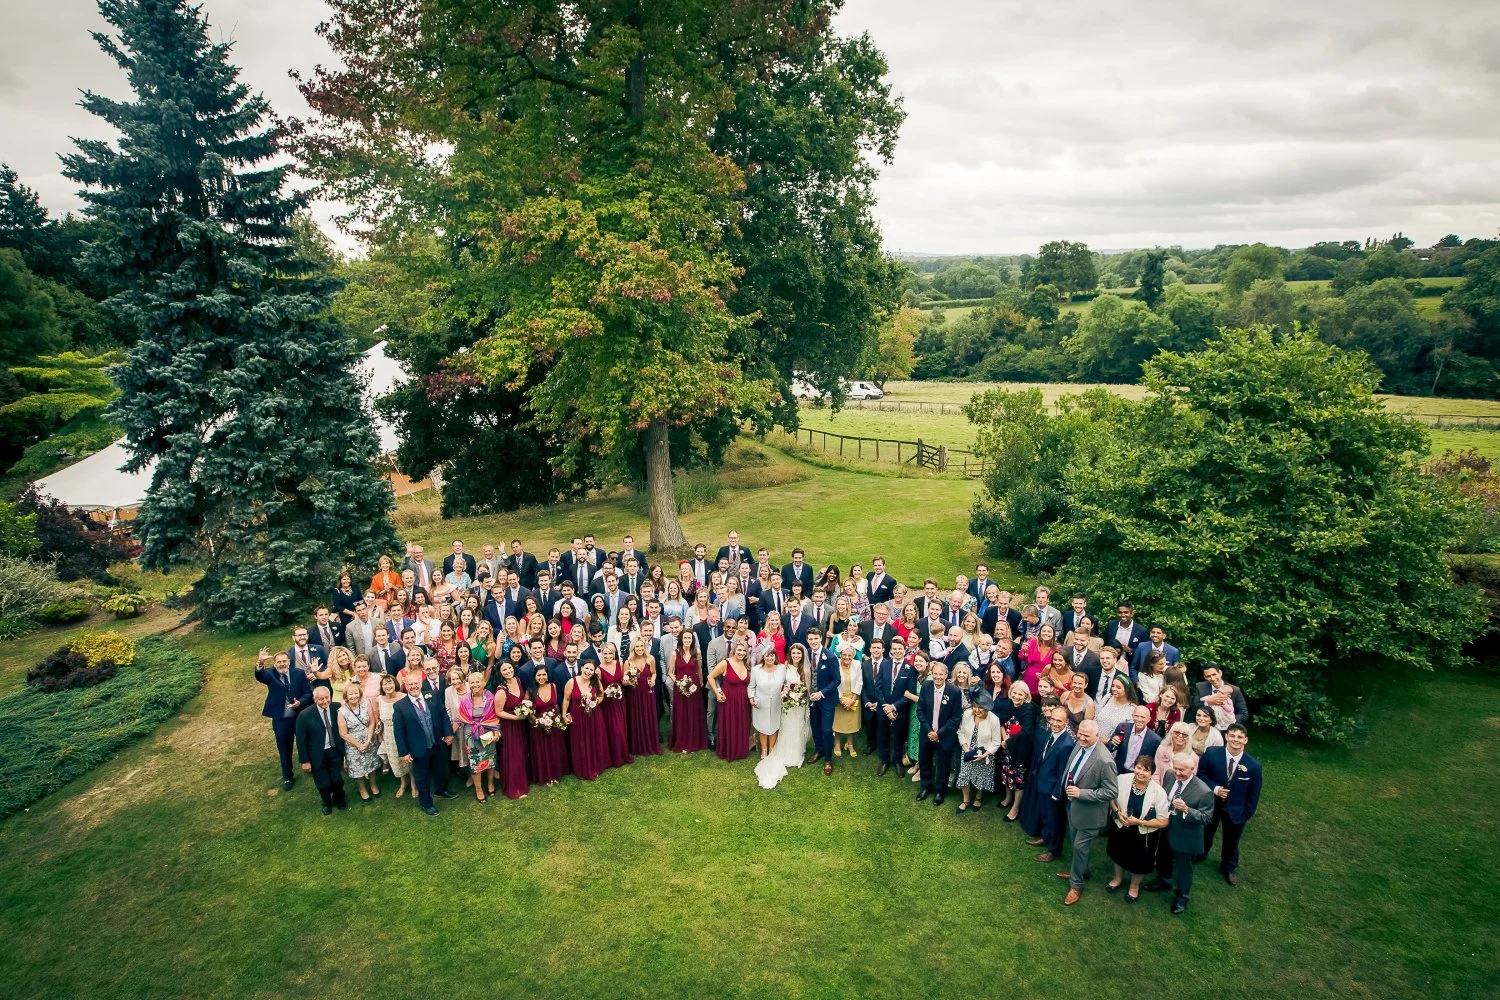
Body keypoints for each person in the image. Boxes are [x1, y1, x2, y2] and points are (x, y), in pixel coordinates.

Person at [1058, 719, 1119, 906]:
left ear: (1097, 736)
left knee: (1079, 847)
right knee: (1076, 843)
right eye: (1080, 734)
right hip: (1073, 805)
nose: (1081, 738)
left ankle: (1076, 885)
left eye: (1086, 736)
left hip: (1090, 813)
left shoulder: (1104, 760)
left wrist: (1081, 793)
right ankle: (1081, 869)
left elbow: (1111, 792)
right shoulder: (1080, 744)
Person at [1144, 752, 1215, 914]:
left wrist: (1186, 810)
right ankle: (1164, 880)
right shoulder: (1170, 775)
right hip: (1166, 827)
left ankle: (1182, 896)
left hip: (1185, 834)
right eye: (1175, 768)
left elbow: (1206, 818)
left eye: (1182, 770)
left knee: (1184, 868)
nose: (1177, 773)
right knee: (1163, 857)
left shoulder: (1204, 791)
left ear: (1192, 769)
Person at [1198, 723, 1262, 886]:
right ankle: (1201, 853)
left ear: (1245, 740)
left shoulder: (1253, 766)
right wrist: (1215, 788)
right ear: (1226, 737)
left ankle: (1228, 866)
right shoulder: (1212, 754)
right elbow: (1200, 775)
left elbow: (1254, 794)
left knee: (1232, 840)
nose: (1236, 739)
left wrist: (1247, 813)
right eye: (1232, 735)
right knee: (1207, 830)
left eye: (1240, 737)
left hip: (1236, 809)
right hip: (1212, 804)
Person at [1105, 755, 1171, 902]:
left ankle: (1134, 887)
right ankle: (1117, 878)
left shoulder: (1159, 792)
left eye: (1146, 770)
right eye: (1138, 768)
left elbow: (1164, 821)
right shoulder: (1122, 779)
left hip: (1143, 834)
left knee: (1139, 861)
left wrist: (1140, 822)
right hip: (1121, 826)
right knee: (1118, 853)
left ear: (1152, 773)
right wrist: (1117, 812)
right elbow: (1111, 797)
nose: (1141, 772)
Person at [393, 672, 456, 816]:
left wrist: (448, 733)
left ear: (420, 684)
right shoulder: (400, 706)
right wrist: (403, 752)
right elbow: (398, 731)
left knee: (440, 769)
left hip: (437, 742)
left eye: (416, 683)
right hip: (418, 748)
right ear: (405, 686)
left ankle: (441, 789)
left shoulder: (431, 695)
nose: (414, 686)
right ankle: (426, 802)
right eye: (410, 684)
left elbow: (443, 715)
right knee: (421, 776)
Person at [254, 647, 312, 790]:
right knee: (284, 748)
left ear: (289, 662)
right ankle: (287, 776)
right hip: (281, 720)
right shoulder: (270, 675)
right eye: (278, 662)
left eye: (284, 661)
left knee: (305, 742)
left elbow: (307, 692)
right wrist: (260, 663)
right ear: (274, 664)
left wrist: (300, 702)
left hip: (299, 717)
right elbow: (260, 676)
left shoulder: (298, 673)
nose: (282, 664)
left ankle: (310, 764)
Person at [1024, 706, 1075, 863]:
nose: (1054, 723)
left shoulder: (1066, 744)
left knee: (1055, 820)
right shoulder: (1052, 734)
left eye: (1059, 721)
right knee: (1046, 817)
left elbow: (1062, 774)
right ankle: (1045, 838)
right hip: (1043, 783)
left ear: (1066, 723)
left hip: (1052, 789)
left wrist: (1056, 793)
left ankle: (1053, 849)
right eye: (1052, 719)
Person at [915, 660, 962, 806]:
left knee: (943, 763)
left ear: (946, 675)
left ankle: (940, 791)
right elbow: (920, 710)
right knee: (925, 761)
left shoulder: (954, 691)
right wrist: (929, 731)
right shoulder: (926, 686)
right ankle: (925, 786)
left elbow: (955, 717)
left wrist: (939, 733)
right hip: (927, 733)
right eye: (935, 674)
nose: (938, 677)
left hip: (944, 735)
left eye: (941, 674)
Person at [295, 685, 347, 816]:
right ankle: (326, 802)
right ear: (315, 699)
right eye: (321, 699)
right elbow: (301, 741)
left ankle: (339, 798)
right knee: (323, 783)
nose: (324, 701)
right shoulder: (304, 715)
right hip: (317, 754)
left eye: (327, 698)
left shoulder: (337, 708)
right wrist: (305, 761)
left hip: (335, 750)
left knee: (337, 780)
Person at [995, 680, 1038, 822]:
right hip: (1006, 747)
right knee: (1007, 773)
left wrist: (1008, 742)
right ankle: (1008, 798)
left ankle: (1016, 807)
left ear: (1026, 696)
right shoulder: (1008, 704)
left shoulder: (1028, 709)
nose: (1017, 696)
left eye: (1020, 694)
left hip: (1020, 749)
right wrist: (1004, 738)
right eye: (1014, 693)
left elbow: (1027, 732)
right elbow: (1000, 722)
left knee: (1018, 779)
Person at [954, 691, 1001, 814]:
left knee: (982, 777)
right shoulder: (967, 714)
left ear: (986, 708)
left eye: (980, 707)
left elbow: (996, 742)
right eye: (975, 706)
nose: (977, 710)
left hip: (984, 754)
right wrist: (964, 747)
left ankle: (978, 798)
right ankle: (966, 801)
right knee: (964, 775)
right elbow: (961, 732)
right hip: (967, 750)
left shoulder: (994, 720)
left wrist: (985, 755)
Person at [563, 659, 609, 781]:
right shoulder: (571, 682)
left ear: (594, 672)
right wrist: (564, 715)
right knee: (580, 741)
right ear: (581, 668)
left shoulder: (595, 682)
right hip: (577, 716)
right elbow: (566, 699)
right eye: (586, 668)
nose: (588, 672)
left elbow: (601, 695)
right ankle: (583, 768)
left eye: (591, 670)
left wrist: (595, 703)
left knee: (594, 738)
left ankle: (596, 764)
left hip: (594, 715)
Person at [457, 672, 500, 801]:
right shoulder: (465, 699)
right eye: (472, 683)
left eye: (477, 682)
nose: (475, 685)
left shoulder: (490, 697)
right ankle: (479, 789)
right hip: (471, 735)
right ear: (469, 684)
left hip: (488, 732)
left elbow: (495, 716)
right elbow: (461, 716)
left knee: (490, 760)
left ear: (484, 683)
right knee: (475, 762)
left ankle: (490, 783)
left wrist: (496, 733)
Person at [874, 638, 914, 776]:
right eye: (895, 649)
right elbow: (877, 688)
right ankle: (884, 760)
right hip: (883, 708)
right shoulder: (884, 665)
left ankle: (897, 761)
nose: (897, 651)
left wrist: (894, 707)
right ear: (891, 650)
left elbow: (909, 693)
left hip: (900, 710)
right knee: (883, 734)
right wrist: (886, 707)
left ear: (905, 650)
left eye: (900, 649)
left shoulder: (910, 668)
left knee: (898, 736)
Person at [338, 679, 382, 802]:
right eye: (350, 694)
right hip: (353, 744)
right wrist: (359, 745)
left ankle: (373, 785)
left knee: (372, 764)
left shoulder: (366, 703)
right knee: (358, 768)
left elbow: (372, 721)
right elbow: (343, 733)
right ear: (346, 696)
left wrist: (368, 740)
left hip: (369, 739)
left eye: (356, 693)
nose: (354, 696)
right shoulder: (342, 711)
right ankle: (362, 789)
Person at [710, 638, 753, 763]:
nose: (741, 653)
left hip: (743, 701)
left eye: (744, 651)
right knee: (730, 724)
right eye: (739, 650)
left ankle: (740, 749)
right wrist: (718, 693)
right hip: (728, 700)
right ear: (734, 650)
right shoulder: (725, 663)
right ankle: (728, 749)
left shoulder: (746, 665)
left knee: (742, 724)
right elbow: (710, 677)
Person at [492, 659, 530, 800]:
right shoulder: (501, 690)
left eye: (509, 668)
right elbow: (498, 711)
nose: (508, 671)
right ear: (500, 673)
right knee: (514, 755)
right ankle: (515, 787)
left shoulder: (518, 680)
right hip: (510, 726)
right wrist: (515, 718)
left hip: (521, 724)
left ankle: (524, 779)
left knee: (522, 752)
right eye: (504, 670)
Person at [526, 664, 568, 786]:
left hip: (554, 723)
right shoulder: (530, 691)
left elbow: (555, 705)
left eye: (544, 674)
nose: (542, 677)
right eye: (539, 675)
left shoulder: (553, 686)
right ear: (534, 677)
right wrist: (540, 722)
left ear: (548, 675)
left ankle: (556, 774)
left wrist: (560, 719)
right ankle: (546, 776)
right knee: (542, 751)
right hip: (539, 726)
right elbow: (528, 712)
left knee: (555, 749)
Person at [807, 630, 841, 775]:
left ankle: (828, 759)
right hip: (811, 700)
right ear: (807, 640)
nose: (813, 641)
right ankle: (818, 750)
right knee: (815, 727)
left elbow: (837, 680)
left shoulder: (831, 657)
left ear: (821, 638)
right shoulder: (806, 654)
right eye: (810, 639)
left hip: (826, 700)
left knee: (826, 730)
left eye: (816, 638)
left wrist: (821, 693)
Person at [596, 641, 635, 769]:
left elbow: (624, 682)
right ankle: (614, 757)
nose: (607, 656)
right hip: (608, 704)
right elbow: (599, 689)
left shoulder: (620, 663)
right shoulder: (598, 670)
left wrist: (628, 681)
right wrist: (608, 692)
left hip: (620, 701)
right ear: (601, 654)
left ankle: (623, 754)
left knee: (621, 728)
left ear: (614, 654)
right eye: (605, 654)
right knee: (613, 730)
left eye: (610, 654)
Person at [668, 633, 709, 754]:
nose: (687, 640)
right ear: (681, 639)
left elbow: (700, 669)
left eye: (689, 638)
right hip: (680, 688)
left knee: (693, 713)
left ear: (692, 640)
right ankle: (682, 741)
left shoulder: (697, 652)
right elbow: (670, 672)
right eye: (685, 638)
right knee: (682, 713)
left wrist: (701, 683)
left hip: (694, 687)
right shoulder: (675, 653)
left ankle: (695, 741)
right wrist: (679, 683)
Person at [375, 673, 411, 799]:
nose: (388, 685)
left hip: (405, 733)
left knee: (408, 759)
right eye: (385, 684)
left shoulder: (404, 697)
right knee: (396, 760)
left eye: (390, 682)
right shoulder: (379, 699)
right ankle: (403, 782)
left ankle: (414, 784)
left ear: (395, 684)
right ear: (382, 687)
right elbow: (378, 718)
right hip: (389, 735)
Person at [747, 647, 786, 760]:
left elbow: (787, 684)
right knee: (762, 727)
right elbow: (751, 686)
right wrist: (751, 698)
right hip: (760, 703)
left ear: (775, 656)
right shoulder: (756, 670)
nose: (770, 658)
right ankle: (764, 748)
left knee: (774, 726)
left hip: (776, 703)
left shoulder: (782, 668)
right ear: (763, 657)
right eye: (767, 655)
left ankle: (772, 749)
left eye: (772, 655)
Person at [1107, 705, 1163, 774]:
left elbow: (1154, 763)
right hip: (1118, 771)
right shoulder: (1123, 728)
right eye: (1136, 716)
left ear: (1149, 719)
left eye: (1142, 717)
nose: (1139, 719)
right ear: (1132, 716)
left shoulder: (1155, 740)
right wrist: (1113, 742)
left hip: (1138, 775)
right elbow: (1109, 748)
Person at [1094, 675, 1137, 741]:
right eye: (1113, 686)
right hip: (1095, 740)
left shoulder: (1132, 709)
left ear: (1126, 690)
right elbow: (1095, 716)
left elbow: (1126, 733)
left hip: (1111, 747)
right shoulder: (1107, 698)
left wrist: (1108, 741)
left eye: (1118, 687)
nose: (1114, 689)